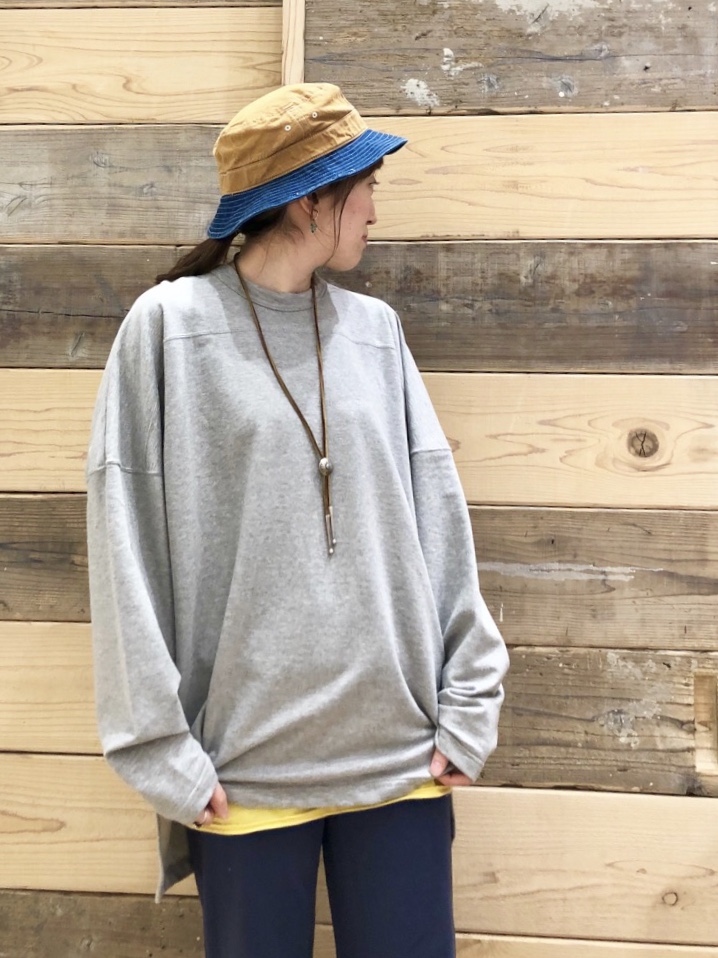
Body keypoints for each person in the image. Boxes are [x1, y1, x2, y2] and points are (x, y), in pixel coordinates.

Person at [86, 83, 509, 958]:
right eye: (367, 187)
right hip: (244, 777)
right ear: (310, 200)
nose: (376, 211)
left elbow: (438, 519)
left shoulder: (375, 331)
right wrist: (161, 751)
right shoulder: (168, 329)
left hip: (401, 765)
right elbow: (123, 543)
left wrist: (470, 703)